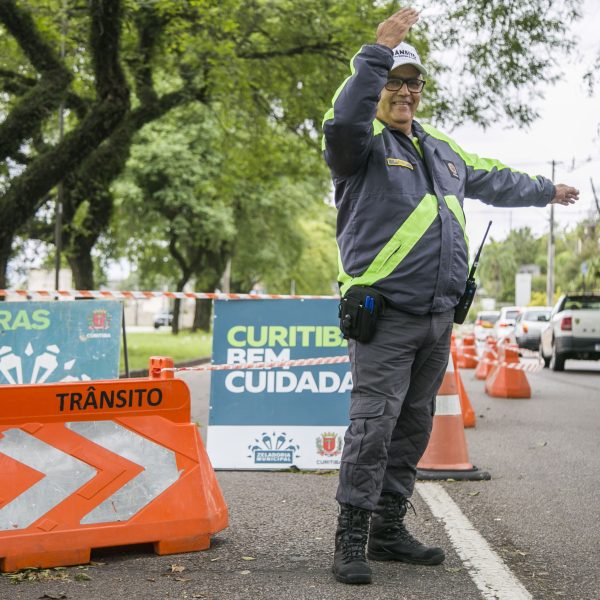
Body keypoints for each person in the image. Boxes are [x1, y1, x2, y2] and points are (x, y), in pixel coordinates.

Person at [322, 7, 579, 585]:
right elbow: (343, 120)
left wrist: (546, 190)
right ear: (377, 89)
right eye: (394, 83)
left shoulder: (443, 152)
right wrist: (378, 50)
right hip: (383, 319)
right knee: (372, 426)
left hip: (437, 320)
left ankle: (388, 529)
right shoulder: (356, 149)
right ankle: (351, 539)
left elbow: (496, 178)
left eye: (412, 84)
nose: (404, 93)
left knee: (412, 428)